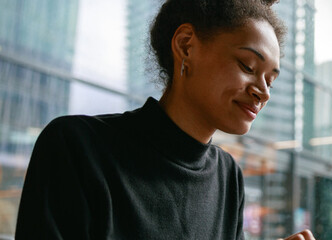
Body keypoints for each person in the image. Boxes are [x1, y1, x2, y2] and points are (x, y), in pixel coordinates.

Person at [14, 0, 315, 239]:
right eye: (247, 66)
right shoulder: (77, 147)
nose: (263, 93)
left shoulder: (228, 177)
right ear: (186, 45)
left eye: (270, 81)